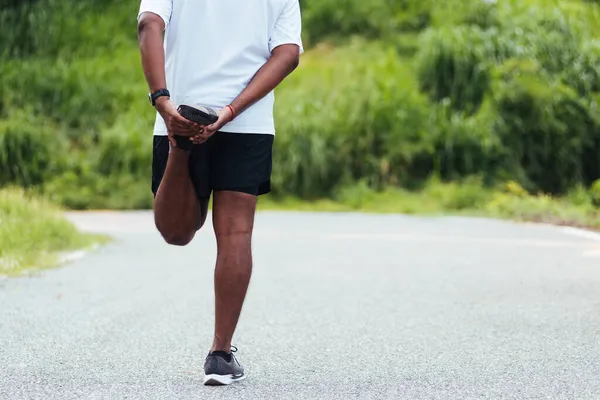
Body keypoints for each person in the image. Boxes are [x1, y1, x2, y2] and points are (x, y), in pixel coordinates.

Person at [136, 0, 303, 386]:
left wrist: (163, 101)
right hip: (248, 122)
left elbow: (149, 24)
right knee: (236, 233)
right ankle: (220, 353)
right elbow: (288, 53)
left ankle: (182, 146)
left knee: (177, 232)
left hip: (180, 109)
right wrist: (231, 111)